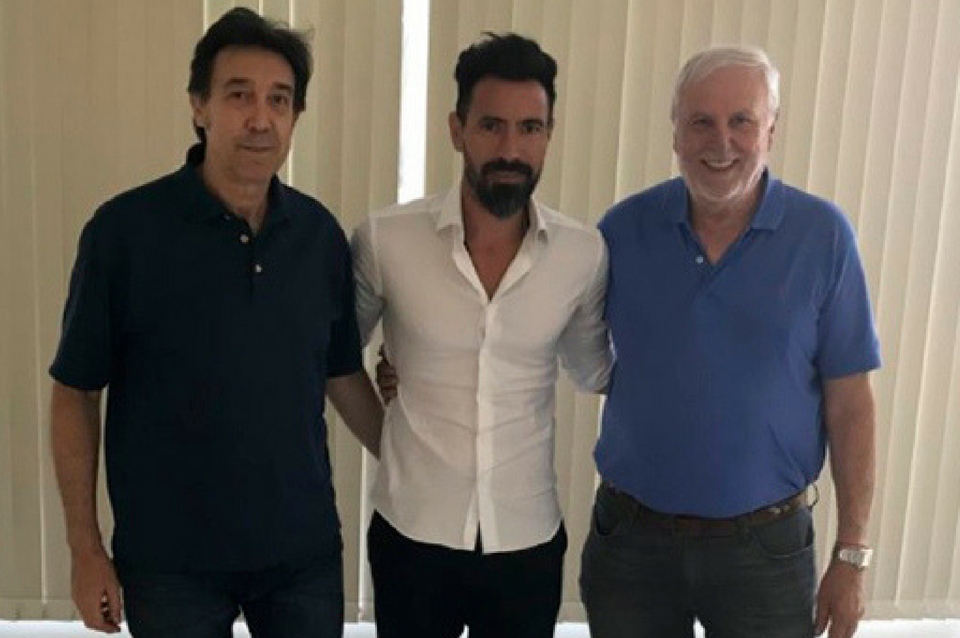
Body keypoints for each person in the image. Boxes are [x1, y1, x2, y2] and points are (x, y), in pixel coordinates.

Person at [49, 8, 382, 638]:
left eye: (279, 99)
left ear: (295, 117)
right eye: (238, 95)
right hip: (171, 565)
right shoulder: (125, 233)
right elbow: (75, 392)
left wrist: (412, 458)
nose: (261, 118)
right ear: (199, 106)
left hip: (302, 555)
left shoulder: (317, 236)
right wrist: (85, 551)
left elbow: (341, 375)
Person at [579, 46, 880, 638]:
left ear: (771, 129)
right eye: (701, 121)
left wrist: (852, 556)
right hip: (632, 546)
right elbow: (556, 337)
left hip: (765, 552)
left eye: (741, 120)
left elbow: (851, 406)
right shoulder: (621, 232)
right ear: (675, 132)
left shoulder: (823, 238)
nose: (721, 143)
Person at [351, 33, 611, 638]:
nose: (511, 149)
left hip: (526, 536)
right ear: (456, 129)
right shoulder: (387, 240)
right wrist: (392, 440)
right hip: (412, 533)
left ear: (549, 134)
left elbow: (594, 369)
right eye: (491, 126)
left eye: (530, 128)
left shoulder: (582, 254)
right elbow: (336, 360)